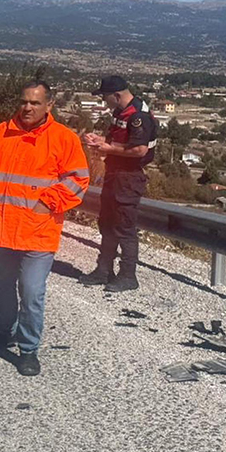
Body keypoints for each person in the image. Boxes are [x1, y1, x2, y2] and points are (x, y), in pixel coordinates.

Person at [0, 81, 90, 377]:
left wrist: (47, 204)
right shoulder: (2, 132)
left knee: (31, 291)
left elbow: (78, 179)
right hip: (2, 229)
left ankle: (28, 349)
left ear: (49, 106)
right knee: (1, 287)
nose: (27, 107)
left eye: (35, 103)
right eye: (24, 101)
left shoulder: (63, 139)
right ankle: (3, 331)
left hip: (39, 232)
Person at [81, 75, 158, 293]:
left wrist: (109, 150)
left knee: (124, 227)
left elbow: (140, 150)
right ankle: (104, 270)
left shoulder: (138, 115)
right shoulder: (120, 112)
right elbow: (117, 141)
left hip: (129, 177)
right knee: (107, 223)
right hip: (115, 174)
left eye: (105, 97)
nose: (103, 101)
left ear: (116, 95)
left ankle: (127, 275)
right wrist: (100, 142)